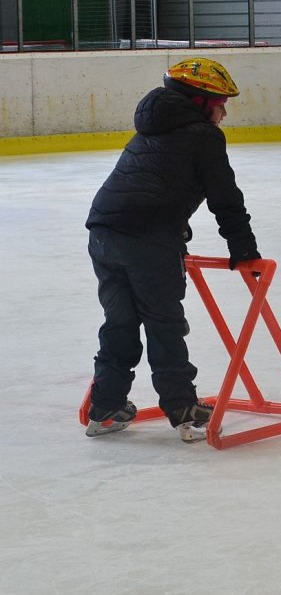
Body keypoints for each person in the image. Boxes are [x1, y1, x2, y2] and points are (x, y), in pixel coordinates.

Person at [85, 57, 261, 440]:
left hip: (103, 232)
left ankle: (106, 407)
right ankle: (184, 410)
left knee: (120, 322)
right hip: (148, 238)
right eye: (219, 104)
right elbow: (225, 198)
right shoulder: (203, 136)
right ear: (199, 102)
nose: (224, 113)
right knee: (163, 322)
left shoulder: (151, 127)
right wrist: (245, 251)